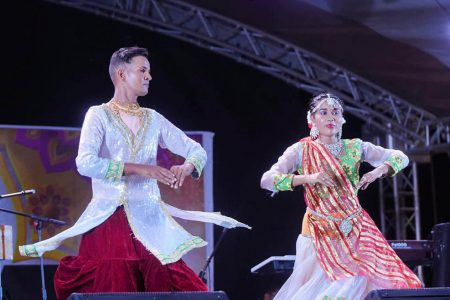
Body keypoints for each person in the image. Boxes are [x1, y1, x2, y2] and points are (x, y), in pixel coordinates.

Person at [19, 46, 249, 299]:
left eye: (149, 71)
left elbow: (196, 150)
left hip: (150, 219)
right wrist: (142, 168)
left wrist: (187, 166)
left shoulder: (154, 118)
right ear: (121, 73)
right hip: (111, 219)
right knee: (116, 287)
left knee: (170, 287)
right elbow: (85, 163)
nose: (149, 76)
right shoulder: (99, 115)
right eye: (143, 70)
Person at [260, 93, 422, 300]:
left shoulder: (355, 147)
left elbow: (401, 157)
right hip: (319, 232)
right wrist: (308, 178)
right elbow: (267, 180)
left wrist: (378, 171)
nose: (330, 118)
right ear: (312, 119)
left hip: (355, 230)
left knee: (359, 283)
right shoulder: (301, 150)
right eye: (324, 112)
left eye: (335, 112)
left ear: (342, 118)